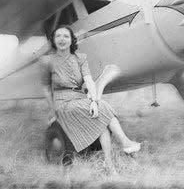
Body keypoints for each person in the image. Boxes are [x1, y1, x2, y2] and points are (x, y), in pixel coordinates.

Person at [39, 25, 140, 172]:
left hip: (80, 98)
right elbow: (46, 89)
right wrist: (54, 111)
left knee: (101, 118)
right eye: (58, 36)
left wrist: (93, 101)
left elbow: (89, 81)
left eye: (66, 36)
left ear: (72, 40)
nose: (62, 39)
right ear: (53, 40)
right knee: (103, 108)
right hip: (63, 102)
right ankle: (125, 142)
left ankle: (108, 164)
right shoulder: (47, 61)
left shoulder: (81, 58)